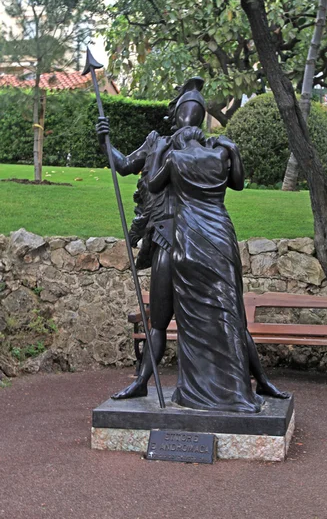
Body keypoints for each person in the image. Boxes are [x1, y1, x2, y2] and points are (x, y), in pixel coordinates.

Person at [96, 79, 288, 401]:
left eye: (195, 107)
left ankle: (261, 380)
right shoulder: (159, 143)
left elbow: (229, 182)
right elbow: (126, 165)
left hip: (195, 237)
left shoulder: (210, 148)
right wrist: (105, 143)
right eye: (188, 106)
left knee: (231, 316)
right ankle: (143, 381)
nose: (191, 112)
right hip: (167, 238)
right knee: (160, 318)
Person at [147, 126, 261, 411]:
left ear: (180, 141)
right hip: (220, 237)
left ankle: (197, 391)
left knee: (194, 317)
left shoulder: (174, 159)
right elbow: (238, 184)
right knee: (227, 311)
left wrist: (160, 151)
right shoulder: (220, 155)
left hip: (190, 240)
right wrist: (232, 149)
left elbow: (153, 186)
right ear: (201, 138)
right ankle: (237, 390)